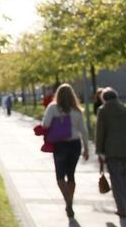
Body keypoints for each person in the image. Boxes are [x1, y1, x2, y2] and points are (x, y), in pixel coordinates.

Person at [42, 83, 89, 219]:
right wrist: (86, 148)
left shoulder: (53, 107)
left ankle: (67, 200)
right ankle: (70, 201)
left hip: (60, 144)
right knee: (71, 175)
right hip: (75, 144)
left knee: (60, 176)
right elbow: (83, 131)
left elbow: (45, 124)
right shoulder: (77, 110)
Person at [96, 87, 126, 219]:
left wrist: (99, 150)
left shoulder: (103, 111)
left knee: (116, 180)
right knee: (124, 177)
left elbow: (100, 132)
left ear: (103, 99)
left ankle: (121, 208)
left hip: (112, 151)